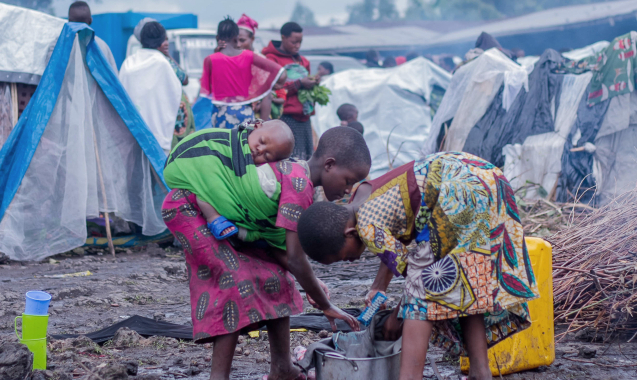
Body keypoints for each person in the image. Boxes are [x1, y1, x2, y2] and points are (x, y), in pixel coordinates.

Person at [297, 151, 540, 380]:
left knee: (423, 292)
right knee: (466, 282)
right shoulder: (362, 194)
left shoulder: (366, 228)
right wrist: (378, 287)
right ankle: (479, 370)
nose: (349, 261)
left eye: (344, 257)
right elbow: (397, 238)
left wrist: (396, 316)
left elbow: (414, 276)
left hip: (458, 193)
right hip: (483, 176)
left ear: (349, 233)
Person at [162, 126, 371, 380]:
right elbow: (294, 257)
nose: (348, 190)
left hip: (214, 218)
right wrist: (326, 306)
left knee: (278, 277)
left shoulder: (295, 176)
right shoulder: (299, 185)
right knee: (234, 281)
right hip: (189, 205)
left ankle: (282, 369)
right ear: (329, 164)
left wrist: (312, 282)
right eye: (348, 181)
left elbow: (276, 248)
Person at [165, 120, 295, 241]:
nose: (260, 149)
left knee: (210, 186)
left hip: (206, 176)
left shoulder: (259, 172)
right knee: (208, 187)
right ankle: (213, 218)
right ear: (256, 126)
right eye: (261, 141)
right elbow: (206, 145)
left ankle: (241, 232)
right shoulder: (230, 142)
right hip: (190, 163)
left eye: (266, 155)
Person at [201, 17, 285, 129]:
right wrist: (272, 86)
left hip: (220, 116)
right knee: (244, 144)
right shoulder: (250, 57)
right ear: (236, 38)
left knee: (224, 145)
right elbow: (282, 73)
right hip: (245, 114)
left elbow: (206, 92)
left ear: (217, 38)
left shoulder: (210, 60)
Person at [119, 21, 185, 153]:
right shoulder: (163, 64)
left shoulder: (128, 64)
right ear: (161, 41)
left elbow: (120, 98)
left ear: (141, 40)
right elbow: (175, 95)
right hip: (157, 138)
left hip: (131, 136)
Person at [263, 22, 320, 161]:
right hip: (285, 117)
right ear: (283, 37)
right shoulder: (271, 59)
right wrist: (299, 83)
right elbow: (272, 89)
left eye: (300, 42)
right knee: (286, 159)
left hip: (304, 119)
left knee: (305, 160)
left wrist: (313, 83)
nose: (297, 46)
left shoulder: (303, 61)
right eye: (294, 42)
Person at [48, 2, 118, 73]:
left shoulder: (57, 46)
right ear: (90, 20)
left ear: (69, 21)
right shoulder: (102, 47)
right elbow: (112, 79)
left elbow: (49, 75)